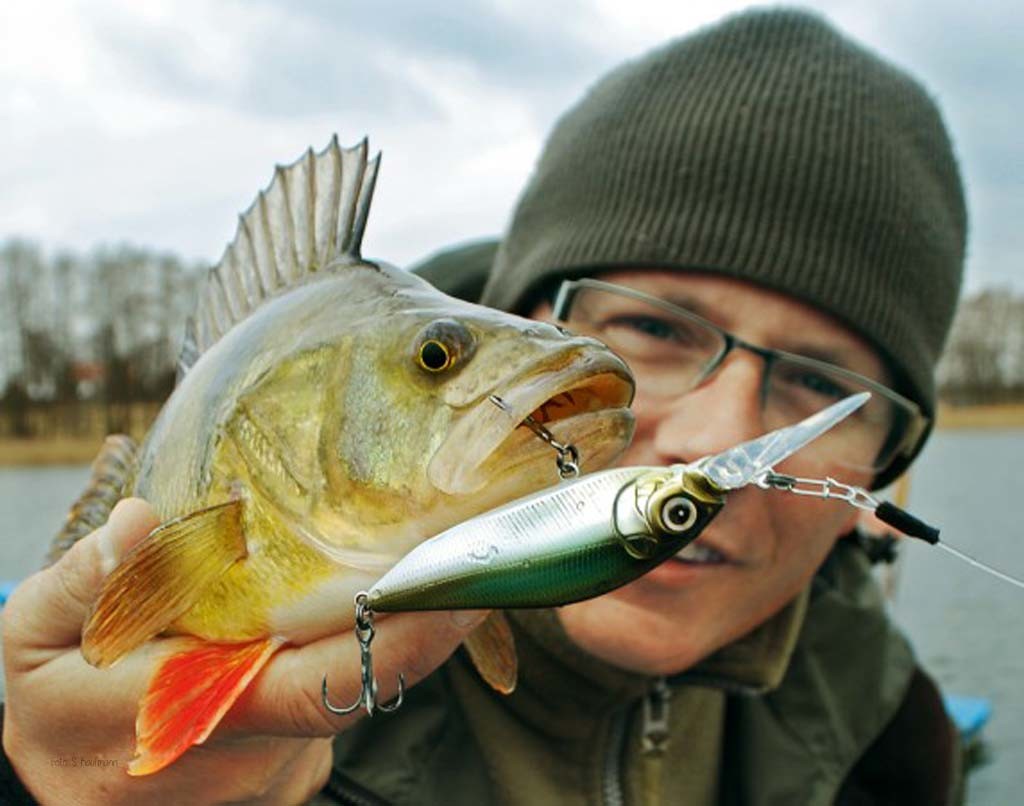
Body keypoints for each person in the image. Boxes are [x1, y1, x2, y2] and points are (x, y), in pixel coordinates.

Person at [1, 8, 966, 804]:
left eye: (825, 387)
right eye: (661, 329)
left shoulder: (893, 743)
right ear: (524, 310)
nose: (723, 436)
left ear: (889, 459)